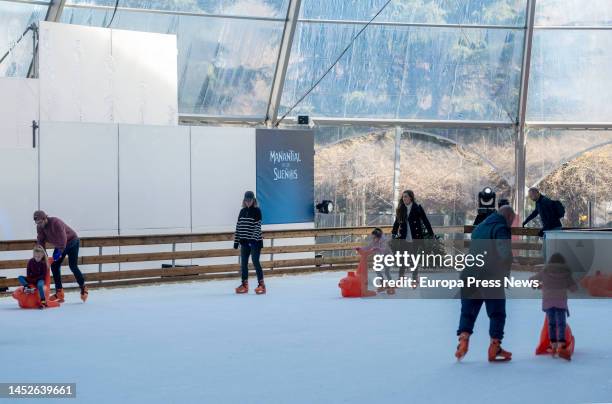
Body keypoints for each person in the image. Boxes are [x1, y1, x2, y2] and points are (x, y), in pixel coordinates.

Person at [455, 205, 515, 362]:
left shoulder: (480, 227)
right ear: (508, 217)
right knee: (497, 312)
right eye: (512, 221)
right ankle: (494, 347)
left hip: (469, 274)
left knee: (468, 311)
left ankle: (463, 341)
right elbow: (504, 252)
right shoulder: (501, 227)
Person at [529, 253, 577, 360]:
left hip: (548, 302)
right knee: (561, 324)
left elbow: (531, 280)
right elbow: (574, 288)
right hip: (561, 303)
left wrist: (538, 285)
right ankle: (561, 346)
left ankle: (553, 346)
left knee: (551, 324)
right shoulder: (566, 273)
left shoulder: (545, 272)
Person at [33, 210, 88, 303]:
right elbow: (41, 241)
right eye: (37, 223)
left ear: (45, 218)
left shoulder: (55, 222)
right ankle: (59, 292)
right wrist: (44, 255)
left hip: (72, 241)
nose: (39, 224)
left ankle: (83, 288)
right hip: (60, 244)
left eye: (40, 222)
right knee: (54, 266)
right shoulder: (40, 227)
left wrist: (58, 253)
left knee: (73, 266)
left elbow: (63, 240)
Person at [391, 190, 434, 283]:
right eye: (403, 197)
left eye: (406, 196)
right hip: (404, 237)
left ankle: (415, 277)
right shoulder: (401, 208)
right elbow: (397, 222)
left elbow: (425, 220)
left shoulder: (417, 208)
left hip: (415, 237)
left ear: (411, 197)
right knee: (403, 258)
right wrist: (394, 233)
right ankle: (401, 277)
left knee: (414, 258)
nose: (404, 198)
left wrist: (431, 233)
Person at [233, 191, 265, 295]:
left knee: (255, 262)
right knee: (244, 264)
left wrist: (253, 240)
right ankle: (244, 285)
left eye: (250, 200)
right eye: (246, 200)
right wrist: (236, 241)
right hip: (244, 242)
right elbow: (238, 227)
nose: (248, 202)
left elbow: (257, 227)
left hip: (255, 242)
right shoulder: (242, 211)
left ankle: (261, 285)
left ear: (253, 200)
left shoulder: (257, 211)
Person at [357, 228, 394, 295]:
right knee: (377, 269)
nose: (373, 238)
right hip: (380, 257)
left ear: (378, 236)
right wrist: (359, 248)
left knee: (387, 272)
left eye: (374, 237)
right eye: (373, 237)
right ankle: (383, 283)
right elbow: (368, 247)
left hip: (388, 257)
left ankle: (391, 286)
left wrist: (378, 249)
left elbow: (384, 249)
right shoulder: (374, 241)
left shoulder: (384, 241)